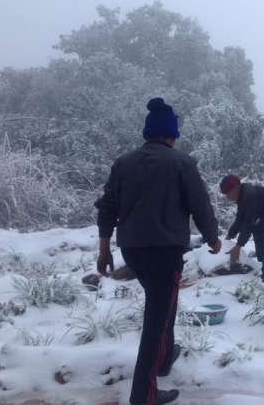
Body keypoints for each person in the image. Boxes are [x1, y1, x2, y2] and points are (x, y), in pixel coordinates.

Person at [95, 97, 222, 405]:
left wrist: (104, 249)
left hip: (133, 251)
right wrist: (212, 238)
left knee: (163, 307)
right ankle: (144, 394)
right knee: (157, 318)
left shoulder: (124, 163)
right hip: (164, 252)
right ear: (171, 136)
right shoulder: (181, 162)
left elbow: (107, 206)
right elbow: (199, 204)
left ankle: (164, 359)